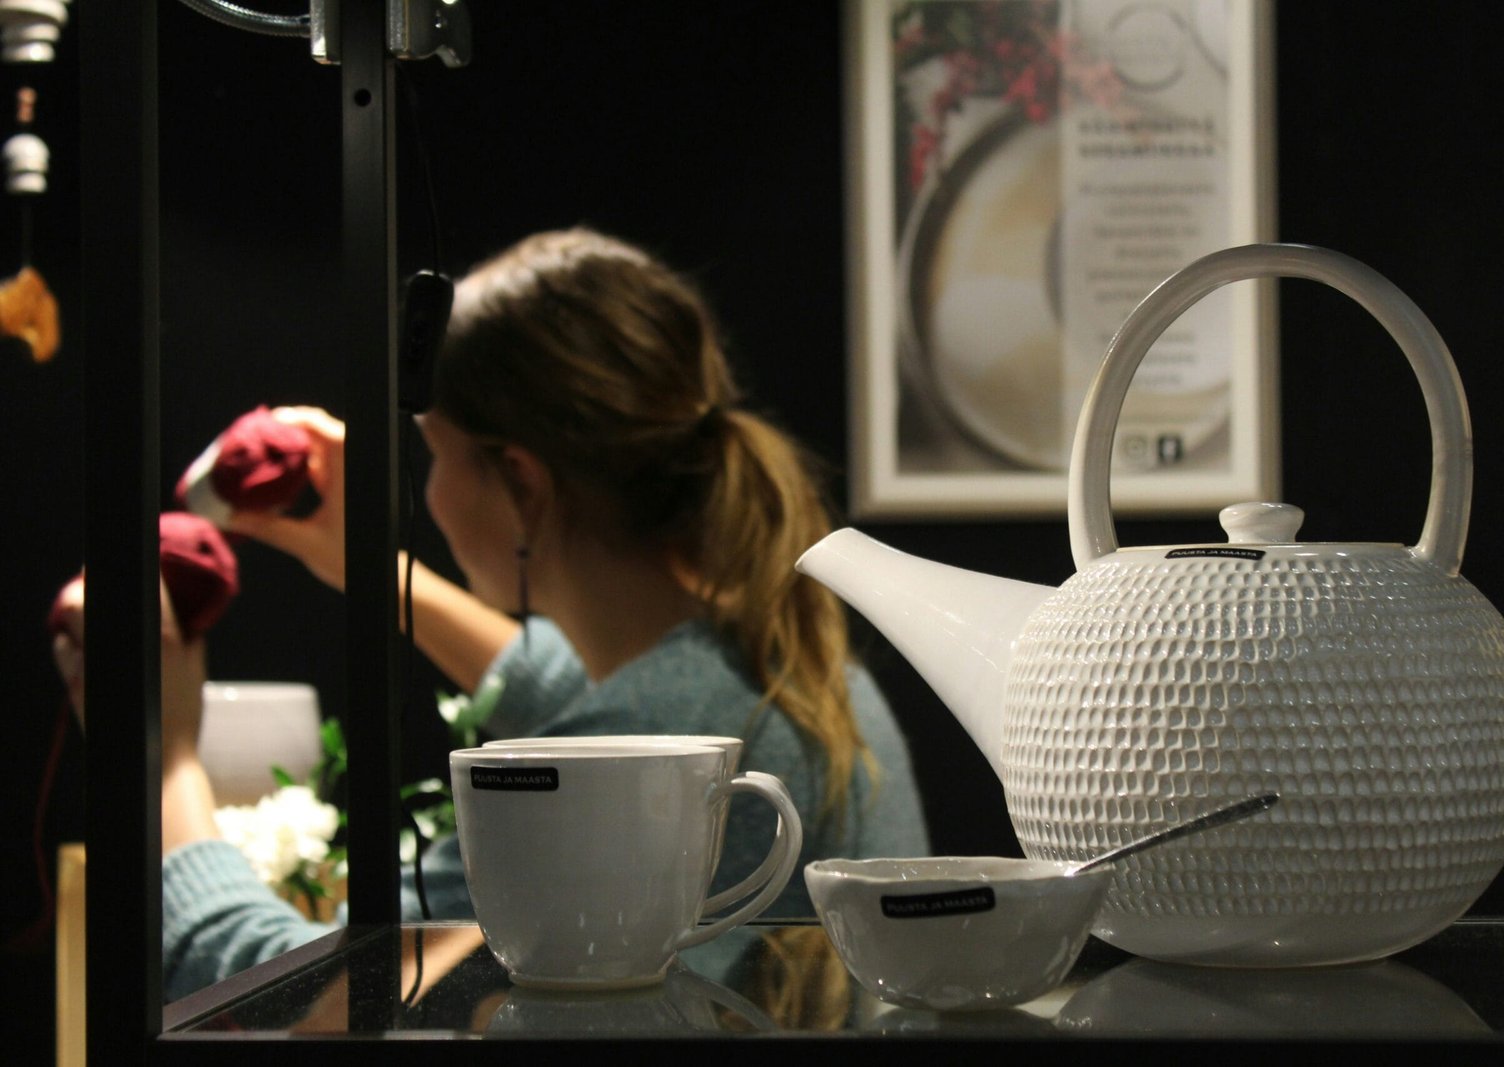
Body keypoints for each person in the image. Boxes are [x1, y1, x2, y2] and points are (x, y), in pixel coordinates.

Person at [63, 227, 930, 1001]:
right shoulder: (753, 662)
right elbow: (580, 679)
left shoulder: (657, 733)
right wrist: (375, 567)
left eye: (431, 454)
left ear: (519, 479)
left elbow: (309, 985)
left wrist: (162, 755)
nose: (424, 489)